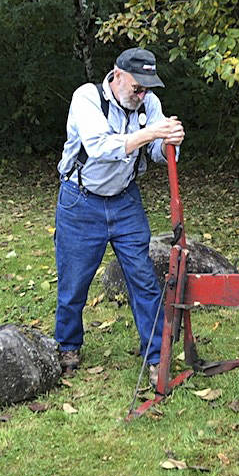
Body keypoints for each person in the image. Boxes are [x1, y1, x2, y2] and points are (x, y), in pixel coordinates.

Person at [54, 47, 184, 385]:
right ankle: (68, 345)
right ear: (117, 75)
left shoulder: (149, 103)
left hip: (125, 202)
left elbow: (157, 152)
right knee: (74, 281)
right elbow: (101, 147)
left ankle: (157, 356)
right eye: (136, 87)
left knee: (143, 278)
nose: (142, 95)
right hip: (81, 202)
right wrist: (153, 133)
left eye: (147, 88)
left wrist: (171, 140)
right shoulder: (87, 98)